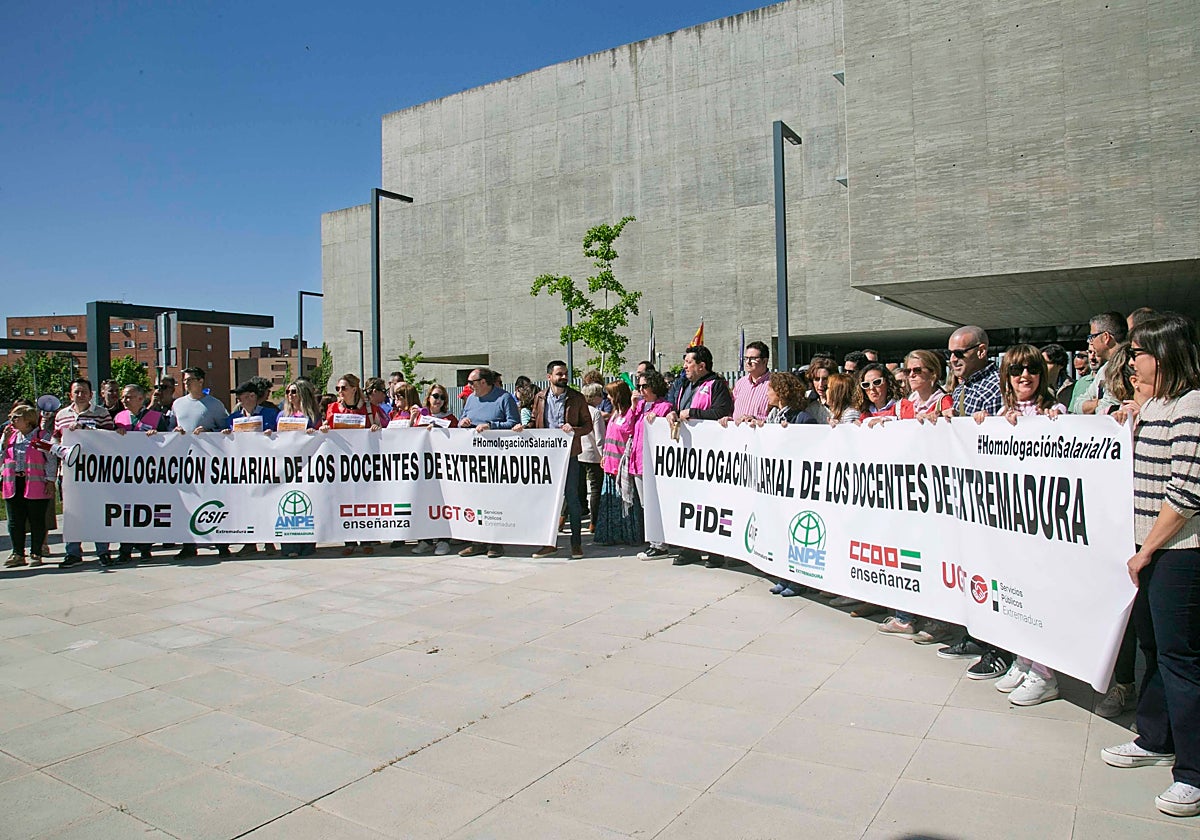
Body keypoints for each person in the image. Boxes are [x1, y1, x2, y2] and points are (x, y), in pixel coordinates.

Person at [1101, 313, 1200, 818]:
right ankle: (1156, 737)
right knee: (1154, 649)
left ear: (1163, 355)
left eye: (1138, 353)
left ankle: (1193, 772)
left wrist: (1146, 551)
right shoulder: (1155, 405)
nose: (1131, 363)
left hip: (1177, 554)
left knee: (1181, 659)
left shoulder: (1191, 405)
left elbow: (1186, 493)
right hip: (1148, 553)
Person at [972, 345, 1066, 706]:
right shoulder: (1000, 415)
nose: (1024, 376)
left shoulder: (1054, 412)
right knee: (1017, 596)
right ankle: (1024, 659)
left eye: (1031, 369)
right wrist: (983, 424)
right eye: (1016, 371)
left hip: (1041, 524)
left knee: (1040, 598)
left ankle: (1045, 673)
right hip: (1010, 524)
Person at [934, 327, 1010, 677]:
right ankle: (977, 635)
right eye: (949, 354)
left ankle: (1000, 649)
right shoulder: (961, 387)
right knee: (969, 565)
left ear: (981, 351)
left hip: (990, 495)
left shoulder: (997, 385)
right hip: (964, 493)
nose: (952, 360)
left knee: (993, 571)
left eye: (959, 354)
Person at [666, 345, 733, 567]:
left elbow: (721, 412)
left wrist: (693, 413)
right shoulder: (683, 385)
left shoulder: (716, 385)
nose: (685, 366)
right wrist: (672, 412)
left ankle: (715, 551)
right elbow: (672, 405)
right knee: (688, 501)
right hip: (687, 455)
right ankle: (690, 548)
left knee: (711, 503)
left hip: (710, 454)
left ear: (702, 366)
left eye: (689, 362)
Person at [531, 360, 593, 559]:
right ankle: (548, 543)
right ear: (549, 377)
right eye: (559, 374)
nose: (564, 377)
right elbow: (534, 421)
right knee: (546, 501)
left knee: (572, 498)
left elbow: (588, 426)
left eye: (565, 373)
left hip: (569, 456)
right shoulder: (540, 397)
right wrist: (523, 428)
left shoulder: (577, 398)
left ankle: (576, 544)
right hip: (546, 456)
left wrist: (573, 430)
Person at [457, 368, 521, 559]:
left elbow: (514, 423)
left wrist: (492, 426)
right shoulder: (471, 399)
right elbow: (462, 419)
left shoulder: (504, 398)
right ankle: (477, 542)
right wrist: (463, 423)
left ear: (484, 382)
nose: (469, 386)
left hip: (497, 457)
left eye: (472, 382)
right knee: (475, 500)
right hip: (474, 459)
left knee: (495, 501)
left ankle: (496, 542)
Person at [54, 378, 117, 567]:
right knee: (72, 513)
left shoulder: (101, 413)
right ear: (70, 395)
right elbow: (55, 438)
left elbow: (110, 438)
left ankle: (103, 551)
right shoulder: (61, 415)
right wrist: (59, 450)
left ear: (91, 395)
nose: (80, 395)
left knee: (98, 511)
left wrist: (86, 429)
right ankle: (73, 553)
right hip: (69, 472)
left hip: (95, 472)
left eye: (84, 392)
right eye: (77, 392)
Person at [322, 373, 383, 555]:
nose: (340, 391)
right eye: (338, 388)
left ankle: (366, 539)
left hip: (364, 462)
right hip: (341, 462)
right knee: (345, 501)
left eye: (344, 388)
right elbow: (325, 427)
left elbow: (380, 429)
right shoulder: (333, 408)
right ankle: (349, 541)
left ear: (354, 389)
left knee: (364, 500)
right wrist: (324, 428)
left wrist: (376, 428)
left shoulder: (370, 409)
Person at [113, 384, 170, 565]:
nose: (124, 400)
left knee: (145, 511)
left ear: (140, 398)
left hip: (148, 473)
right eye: (123, 397)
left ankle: (145, 548)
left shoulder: (156, 417)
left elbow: (169, 442)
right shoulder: (119, 418)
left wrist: (157, 436)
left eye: (128, 397)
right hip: (125, 473)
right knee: (126, 512)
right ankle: (125, 549)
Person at [3, 405, 57, 569]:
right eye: (11, 417)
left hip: (35, 483)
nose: (12, 420)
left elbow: (50, 459)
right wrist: (4, 442)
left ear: (28, 420)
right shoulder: (11, 436)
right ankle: (18, 553)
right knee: (15, 521)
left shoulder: (42, 436)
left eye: (16, 417)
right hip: (13, 483)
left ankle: (36, 553)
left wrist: (50, 480)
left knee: (36, 520)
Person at [598, 380, 645, 547]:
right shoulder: (615, 414)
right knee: (612, 503)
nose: (608, 398)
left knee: (627, 502)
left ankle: (631, 535)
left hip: (622, 466)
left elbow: (630, 431)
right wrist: (604, 455)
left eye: (610, 395)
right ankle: (612, 535)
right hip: (610, 463)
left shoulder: (629, 414)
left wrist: (633, 405)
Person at [1080, 310, 1127, 415]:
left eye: (1092, 337)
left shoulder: (1127, 365)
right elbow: (1077, 404)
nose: (1090, 342)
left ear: (1106, 337)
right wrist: (1099, 403)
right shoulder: (1104, 369)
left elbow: (1108, 409)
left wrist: (1093, 405)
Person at [577, 383, 606, 537]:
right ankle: (593, 522)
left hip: (579, 453)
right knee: (595, 489)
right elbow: (600, 438)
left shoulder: (578, 410)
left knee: (576, 487)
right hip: (593, 454)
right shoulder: (596, 413)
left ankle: (562, 518)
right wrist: (603, 455)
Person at [730, 341, 772, 424]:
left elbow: (778, 416)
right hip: (737, 430)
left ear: (765, 361)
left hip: (761, 431)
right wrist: (729, 419)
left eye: (753, 358)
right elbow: (731, 410)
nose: (748, 362)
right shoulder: (740, 383)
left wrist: (756, 418)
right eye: (746, 358)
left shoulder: (773, 384)